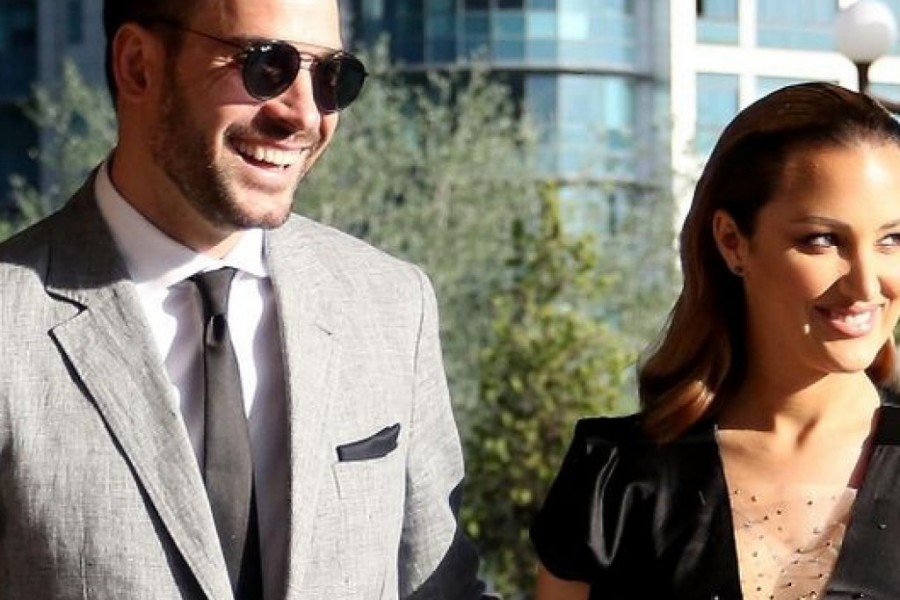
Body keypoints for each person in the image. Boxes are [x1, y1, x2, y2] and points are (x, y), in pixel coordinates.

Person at [0, 0, 487, 598]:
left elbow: (441, 589)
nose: (304, 115)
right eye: (265, 66)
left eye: (332, 77)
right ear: (138, 65)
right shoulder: (10, 324)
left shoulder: (391, 304)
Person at [531, 82, 900, 600]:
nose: (865, 283)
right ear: (732, 242)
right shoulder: (619, 478)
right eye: (821, 240)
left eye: (892, 239)